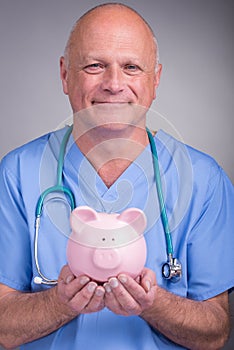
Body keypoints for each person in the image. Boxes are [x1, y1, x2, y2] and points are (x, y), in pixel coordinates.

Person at [0, 3, 233, 350]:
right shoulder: (17, 173)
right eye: (94, 66)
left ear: (155, 80)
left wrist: (154, 304)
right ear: (65, 75)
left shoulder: (203, 180)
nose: (113, 84)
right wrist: (58, 303)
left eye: (131, 67)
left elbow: (215, 334)